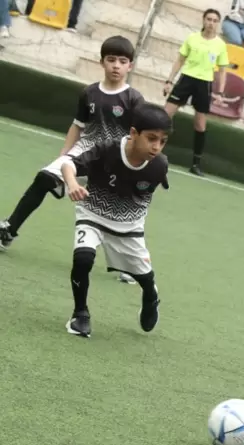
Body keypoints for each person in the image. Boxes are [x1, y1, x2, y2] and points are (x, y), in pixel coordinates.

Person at [1, 36, 143, 264]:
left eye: (122, 61)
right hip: (84, 152)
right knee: (44, 177)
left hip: (114, 160)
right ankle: (9, 229)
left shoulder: (133, 99)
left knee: (114, 213)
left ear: (130, 66)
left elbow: (138, 137)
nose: (116, 65)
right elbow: (77, 126)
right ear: (102, 62)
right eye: (111, 60)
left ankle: (130, 263)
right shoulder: (89, 93)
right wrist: (64, 156)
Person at [60, 104, 171, 339]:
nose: (156, 147)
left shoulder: (159, 165)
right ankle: (80, 315)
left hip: (129, 226)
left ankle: (151, 296)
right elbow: (67, 164)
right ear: (133, 133)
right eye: (151, 138)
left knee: (145, 278)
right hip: (92, 213)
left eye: (162, 141)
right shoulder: (107, 149)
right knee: (83, 258)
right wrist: (72, 183)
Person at [163, 9, 228, 177]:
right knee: (164, 116)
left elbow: (222, 71)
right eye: (209, 19)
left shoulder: (220, 45)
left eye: (214, 20)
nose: (211, 23)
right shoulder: (192, 38)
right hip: (186, 79)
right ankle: (152, 151)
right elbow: (180, 60)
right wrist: (169, 81)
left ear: (218, 24)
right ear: (203, 20)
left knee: (200, 124)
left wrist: (220, 93)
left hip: (204, 83)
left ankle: (196, 163)